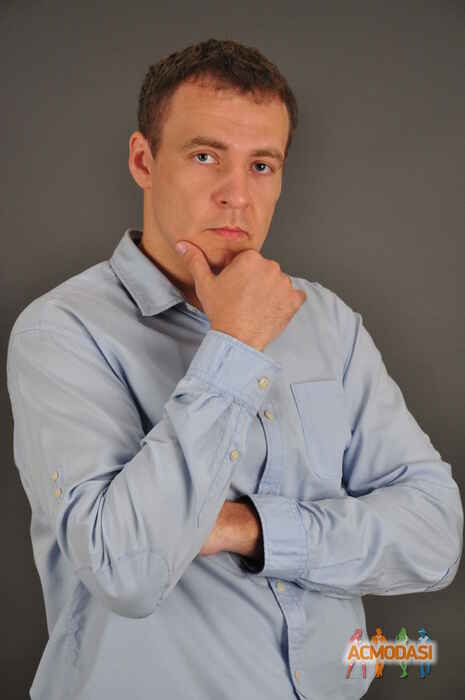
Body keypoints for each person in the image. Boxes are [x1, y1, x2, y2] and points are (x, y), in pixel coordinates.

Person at [6, 38, 463, 700]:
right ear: (143, 160)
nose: (237, 196)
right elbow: (125, 570)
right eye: (205, 157)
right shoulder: (62, 331)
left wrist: (248, 528)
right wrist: (235, 344)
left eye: (261, 165)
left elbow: (435, 536)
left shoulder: (327, 322)